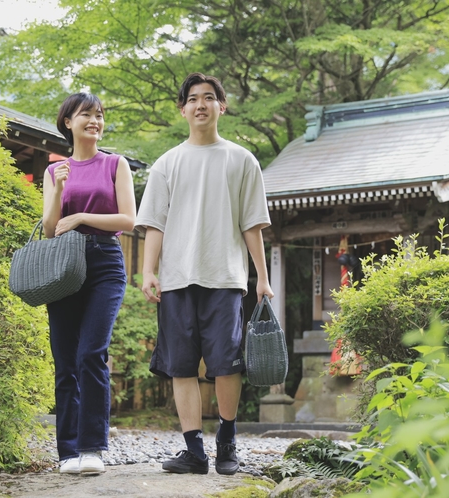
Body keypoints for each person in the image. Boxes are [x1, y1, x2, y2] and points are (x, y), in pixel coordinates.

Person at [135, 73, 273, 476]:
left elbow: (252, 224)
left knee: (227, 364)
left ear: (221, 106)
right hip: (176, 280)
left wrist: (261, 278)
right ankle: (193, 451)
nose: (200, 104)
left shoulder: (242, 160)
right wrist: (147, 271)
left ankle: (227, 442)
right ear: (183, 110)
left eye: (209, 98)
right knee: (180, 366)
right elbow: (154, 225)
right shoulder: (167, 163)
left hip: (227, 279)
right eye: (193, 99)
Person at [42, 92, 136, 475]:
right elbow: (50, 228)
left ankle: (92, 447)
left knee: (91, 353)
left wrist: (81, 215)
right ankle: (67, 452)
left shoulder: (115, 164)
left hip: (104, 263)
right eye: (86, 115)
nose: (94, 121)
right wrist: (61, 190)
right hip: (64, 265)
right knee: (65, 360)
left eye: (99, 115)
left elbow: (129, 220)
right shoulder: (54, 171)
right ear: (68, 122)